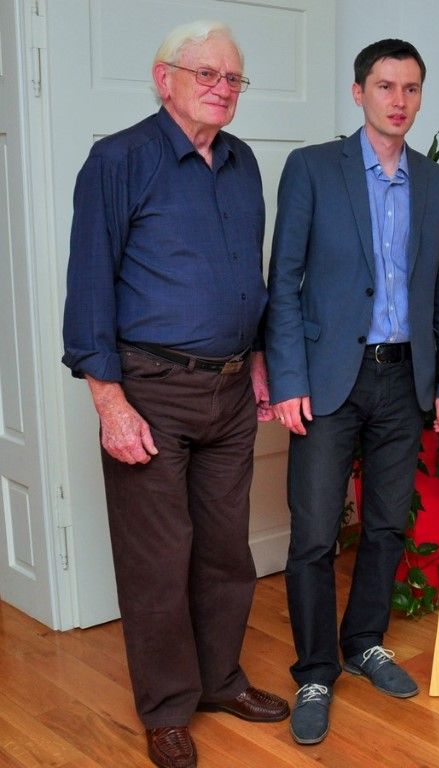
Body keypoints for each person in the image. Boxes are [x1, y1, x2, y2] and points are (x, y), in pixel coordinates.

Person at [61, 20, 289, 768]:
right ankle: (165, 708)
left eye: (233, 78)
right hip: (150, 390)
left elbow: (249, 276)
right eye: (207, 74)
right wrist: (109, 403)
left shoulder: (243, 162)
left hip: (231, 389)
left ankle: (220, 681)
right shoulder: (118, 160)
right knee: (158, 561)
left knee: (225, 551)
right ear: (166, 80)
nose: (222, 88)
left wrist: (259, 359)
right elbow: (89, 288)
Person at [264, 38, 439, 746]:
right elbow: (283, 282)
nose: (399, 101)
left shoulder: (437, 183)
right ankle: (316, 671)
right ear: (359, 93)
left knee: (384, 525)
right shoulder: (313, 169)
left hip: (404, 379)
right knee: (315, 533)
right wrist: (288, 378)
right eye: (385, 86)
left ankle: (365, 643)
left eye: (411, 88)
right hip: (327, 381)